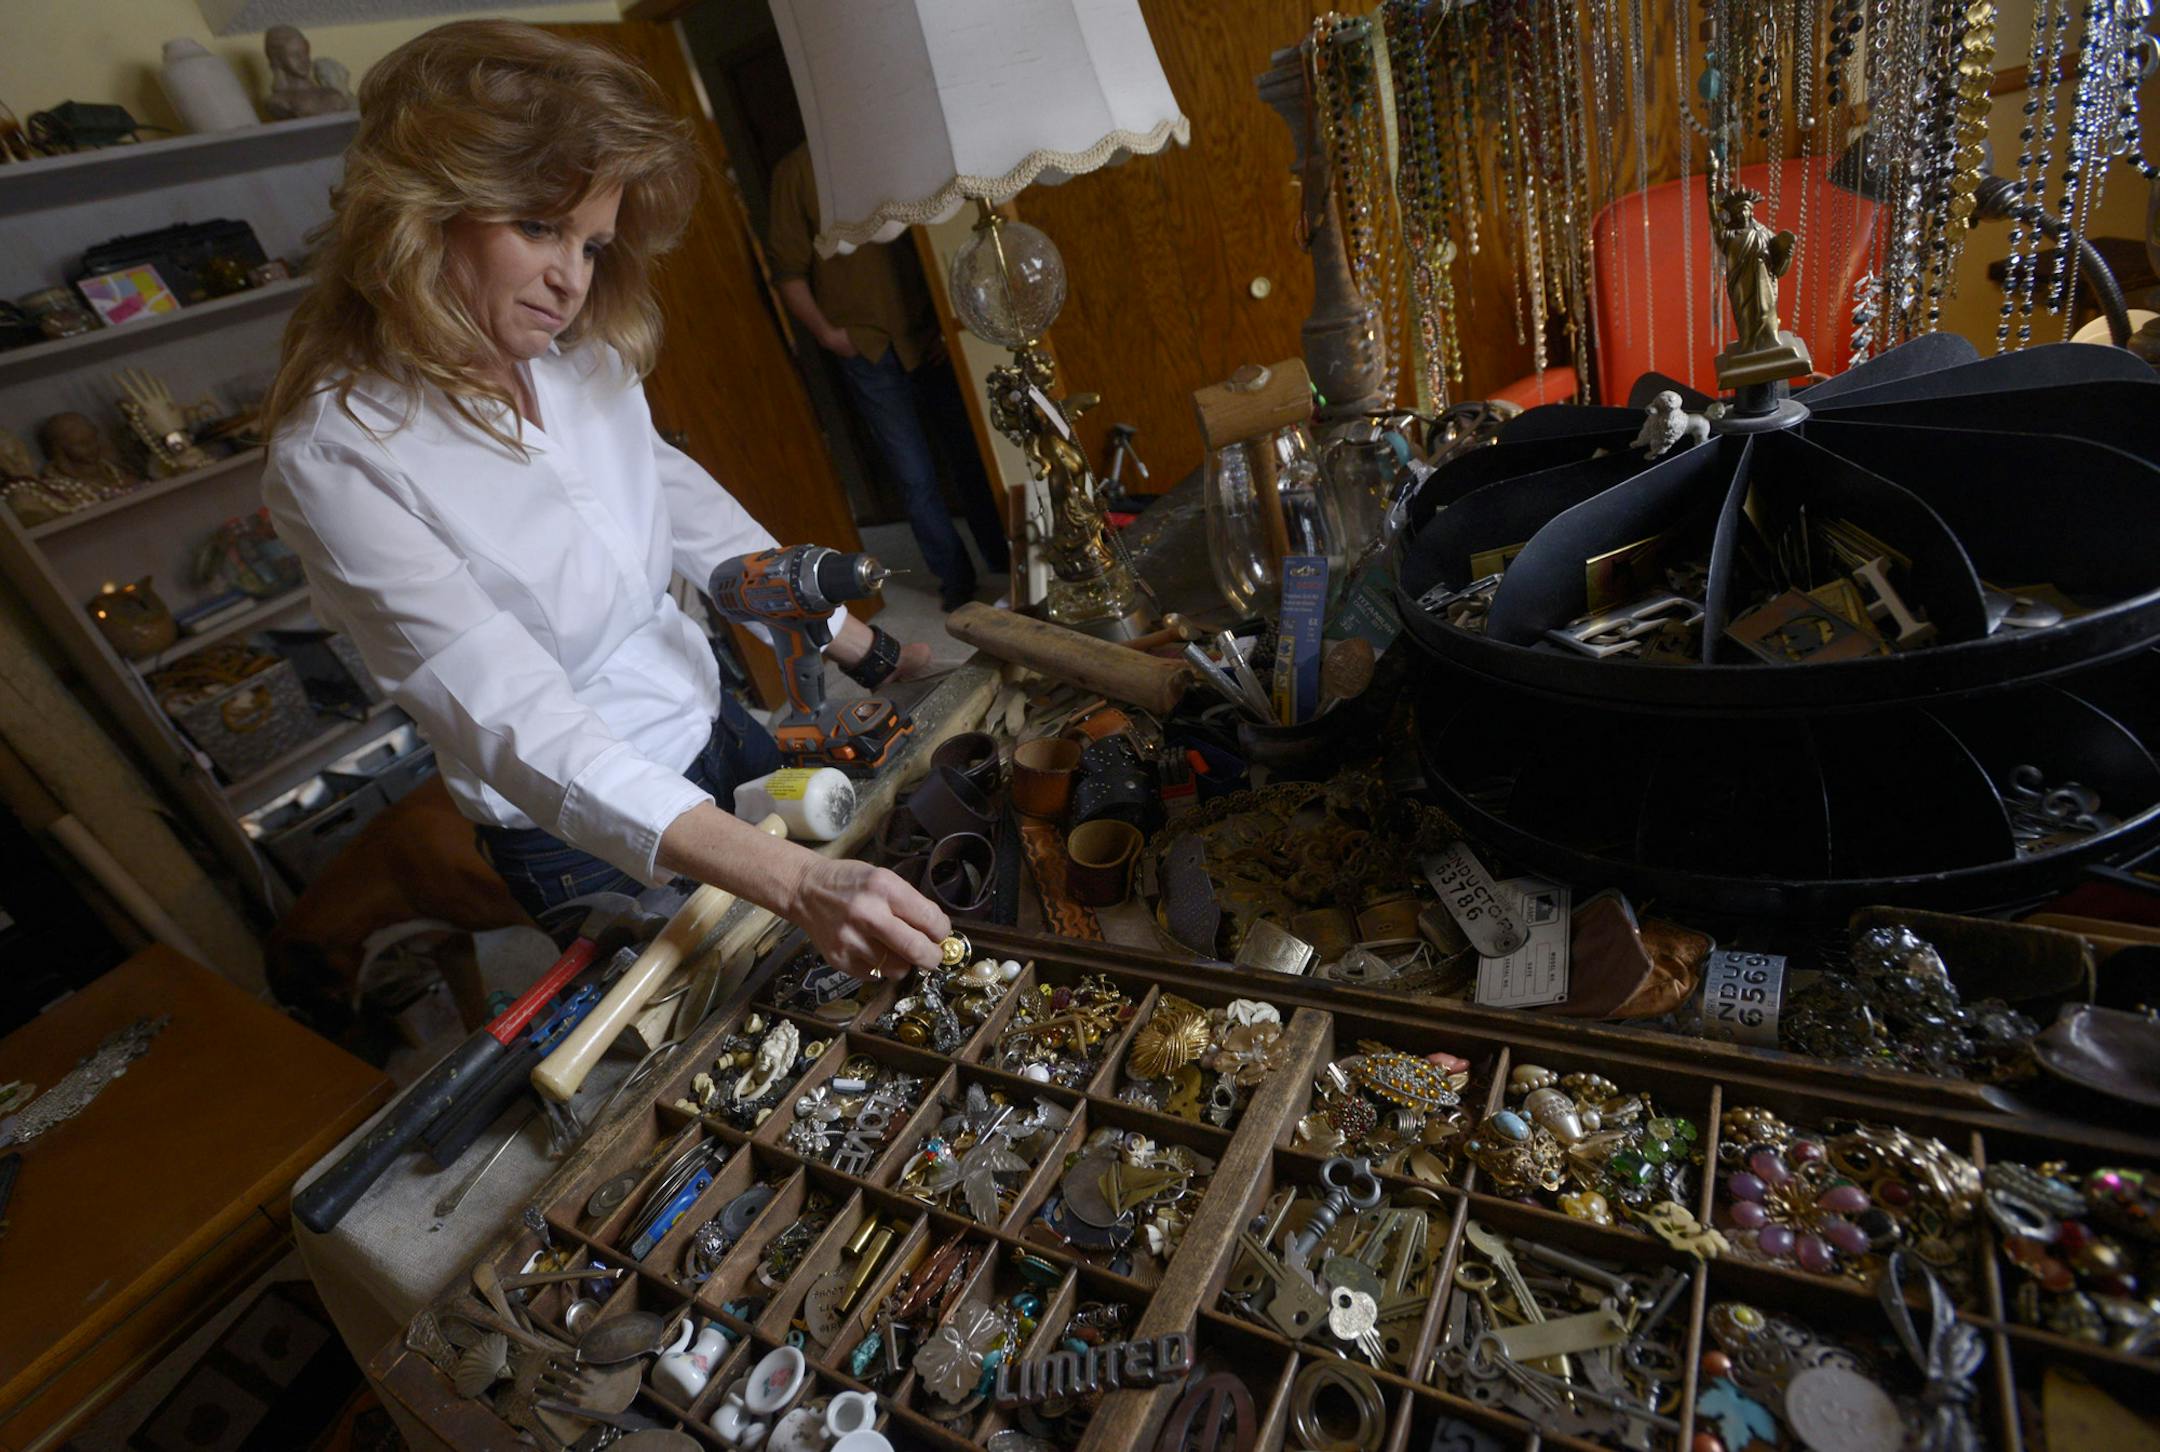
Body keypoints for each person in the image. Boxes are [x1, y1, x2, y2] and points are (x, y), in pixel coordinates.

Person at [259, 20, 949, 980]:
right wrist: (790, 883)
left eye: (591, 244)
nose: (569, 282)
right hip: (583, 825)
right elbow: (511, 716)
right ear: (422, 214)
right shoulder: (339, 454)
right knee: (730, 1030)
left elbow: (690, 513)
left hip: (713, 721)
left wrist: (858, 645)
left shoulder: (577, 359)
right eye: (538, 227)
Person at [767, 143, 1011, 612]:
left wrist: (950, 316)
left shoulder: (887, 146)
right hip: (865, 345)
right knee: (913, 472)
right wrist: (829, 335)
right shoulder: (795, 172)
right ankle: (955, 581)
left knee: (970, 451)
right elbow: (787, 271)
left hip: (927, 330)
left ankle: (1001, 558)